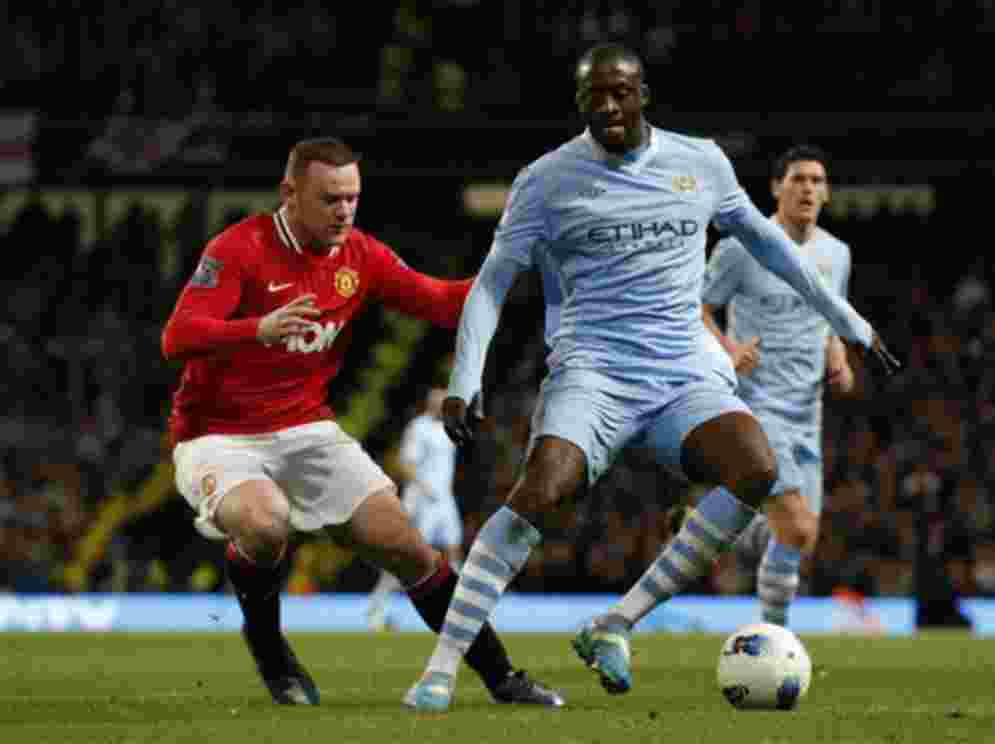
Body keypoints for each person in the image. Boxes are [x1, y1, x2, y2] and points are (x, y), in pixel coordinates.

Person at [405, 44, 898, 711]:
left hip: (681, 369)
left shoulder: (700, 161)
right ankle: (439, 667)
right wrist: (467, 377)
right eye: (594, 96)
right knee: (542, 489)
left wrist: (851, 324)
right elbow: (492, 285)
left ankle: (614, 622)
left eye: (621, 92)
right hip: (593, 370)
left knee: (756, 467)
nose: (609, 106)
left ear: (643, 94)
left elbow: (773, 247)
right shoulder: (547, 180)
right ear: (580, 102)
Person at [161, 137, 564, 708]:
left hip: (307, 429)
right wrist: (256, 328)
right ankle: (269, 648)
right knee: (266, 522)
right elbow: (177, 336)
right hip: (218, 435)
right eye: (330, 199)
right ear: (289, 194)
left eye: (352, 198)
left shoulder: (361, 256)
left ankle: (502, 676)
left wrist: (518, 274)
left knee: (409, 547)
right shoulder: (239, 248)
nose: (345, 211)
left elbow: (444, 302)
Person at [702, 144, 858, 626]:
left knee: (799, 538)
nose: (808, 188)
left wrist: (838, 351)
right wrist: (727, 350)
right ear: (776, 188)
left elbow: (830, 319)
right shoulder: (742, 247)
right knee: (796, 525)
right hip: (756, 406)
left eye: (816, 180)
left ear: (827, 192)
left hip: (806, 413)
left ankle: (770, 631)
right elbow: (695, 308)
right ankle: (774, 639)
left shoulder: (837, 255)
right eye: (798, 179)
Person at [367, 387, 464, 631]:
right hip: (422, 501)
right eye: (435, 401)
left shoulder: (450, 428)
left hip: (445, 500)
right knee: (409, 559)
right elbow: (406, 465)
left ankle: (459, 613)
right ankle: (377, 607)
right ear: (429, 403)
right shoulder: (417, 428)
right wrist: (425, 488)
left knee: (454, 553)